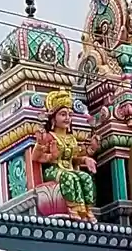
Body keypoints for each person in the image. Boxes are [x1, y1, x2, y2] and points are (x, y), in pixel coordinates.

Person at [28, 91, 97, 220]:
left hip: (69, 168)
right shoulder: (49, 137)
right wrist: (51, 155)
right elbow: (35, 157)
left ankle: (86, 209)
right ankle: (73, 208)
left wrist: (86, 159)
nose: (67, 118)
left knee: (85, 177)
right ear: (53, 118)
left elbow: (74, 158)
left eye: (69, 115)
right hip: (53, 170)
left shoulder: (71, 138)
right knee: (70, 177)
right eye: (63, 114)